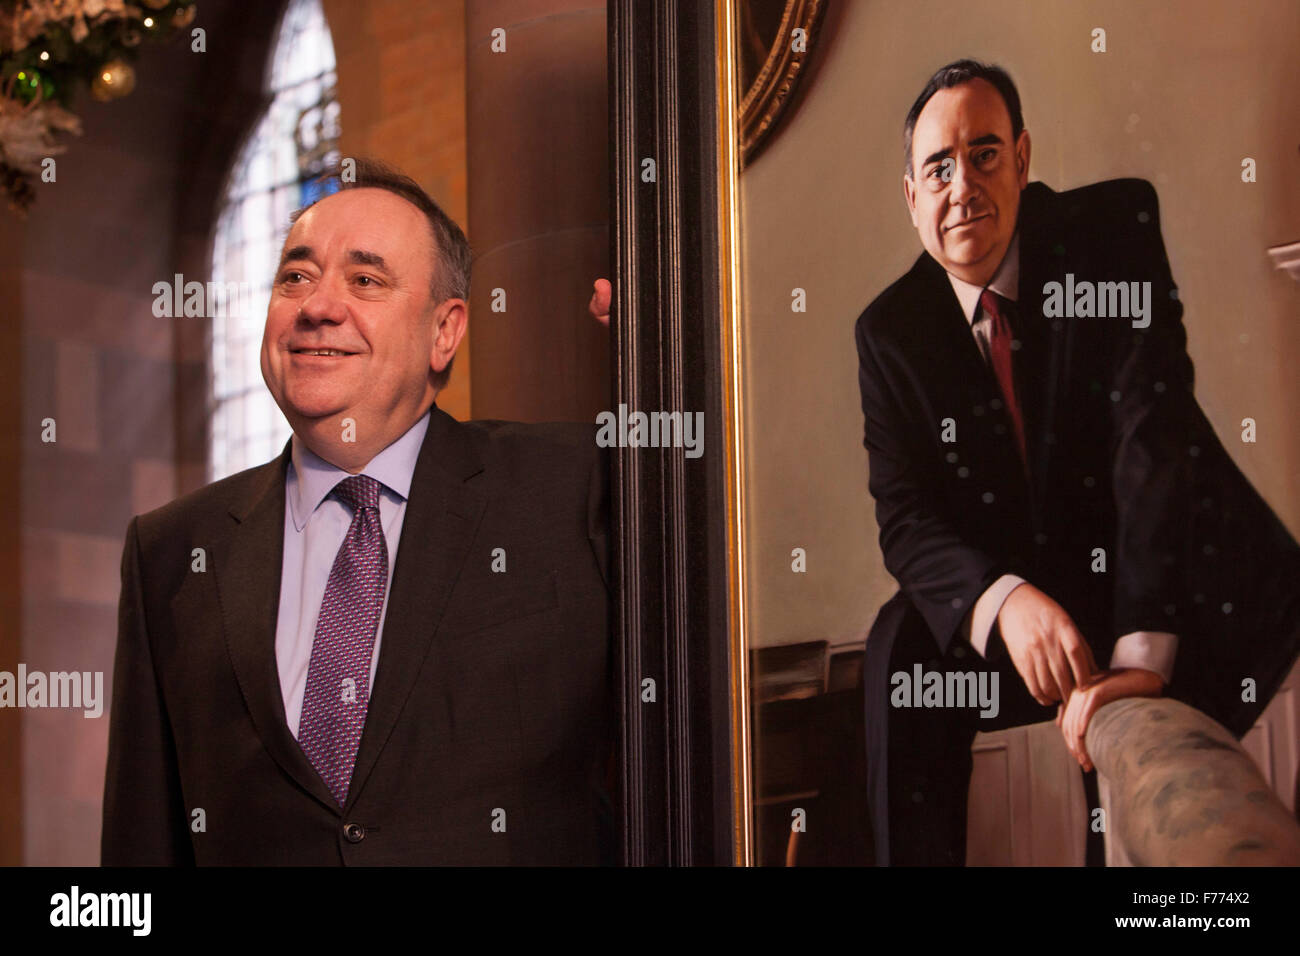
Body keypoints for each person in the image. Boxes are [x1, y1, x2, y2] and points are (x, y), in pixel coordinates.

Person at [102, 159, 615, 865]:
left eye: (366, 280)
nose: (317, 306)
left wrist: (674, 354)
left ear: (445, 331)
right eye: (296, 277)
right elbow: (142, 844)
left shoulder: (575, 485)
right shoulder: (170, 552)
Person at [856, 59, 1300, 866]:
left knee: (1155, 789)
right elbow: (906, 518)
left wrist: (1136, 658)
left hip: (1175, 580)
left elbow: (1150, 442)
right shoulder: (889, 334)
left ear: (1023, 160)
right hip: (1030, 604)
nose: (964, 186)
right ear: (911, 196)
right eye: (938, 167)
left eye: (985, 154)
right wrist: (1007, 599)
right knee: (899, 644)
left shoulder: (1110, 234)